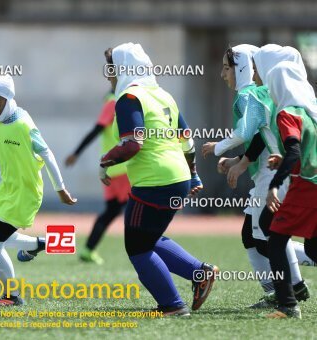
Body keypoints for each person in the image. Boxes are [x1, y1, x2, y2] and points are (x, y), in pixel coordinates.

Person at [100, 42, 217, 316]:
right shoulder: (163, 94)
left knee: (137, 247)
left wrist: (104, 161)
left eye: (110, 67)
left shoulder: (129, 98)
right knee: (150, 236)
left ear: (123, 68)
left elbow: (133, 145)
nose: (108, 74)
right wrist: (194, 174)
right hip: (177, 176)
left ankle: (172, 305)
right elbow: (186, 139)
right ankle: (200, 272)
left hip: (155, 180)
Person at [201, 45, 311, 308]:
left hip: (277, 176)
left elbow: (249, 132)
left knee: (271, 235)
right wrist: (240, 162)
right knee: (256, 236)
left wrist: (218, 148)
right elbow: (264, 136)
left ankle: (291, 291)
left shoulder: (252, 95)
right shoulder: (273, 95)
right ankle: (284, 290)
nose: (222, 74)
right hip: (279, 173)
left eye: (227, 68)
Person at [0, 75, 77, 306]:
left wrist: (60, 188)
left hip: (26, 194)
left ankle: (11, 297)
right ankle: (39, 244)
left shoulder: (24, 124)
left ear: (9, 97)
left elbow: (47, 154)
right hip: (5, 190)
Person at [263, 61, 317, 318]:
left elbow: (295, 149)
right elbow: (302, 151)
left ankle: (287, 305)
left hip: (307, 187)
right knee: (313, 249)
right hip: (312, 183)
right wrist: (283, 160)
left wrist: (274, 185)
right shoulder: (310, 111)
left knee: (275, 242)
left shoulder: (287, 112)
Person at [65, 90, 130, 264]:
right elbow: (97, 129)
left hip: (111, 169)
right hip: (122, 169)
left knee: (112, 211)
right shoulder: (115, 102)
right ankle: (144, 251)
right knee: (137, 210)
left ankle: (88, 250)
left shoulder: (115, 101)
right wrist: (76, 153)